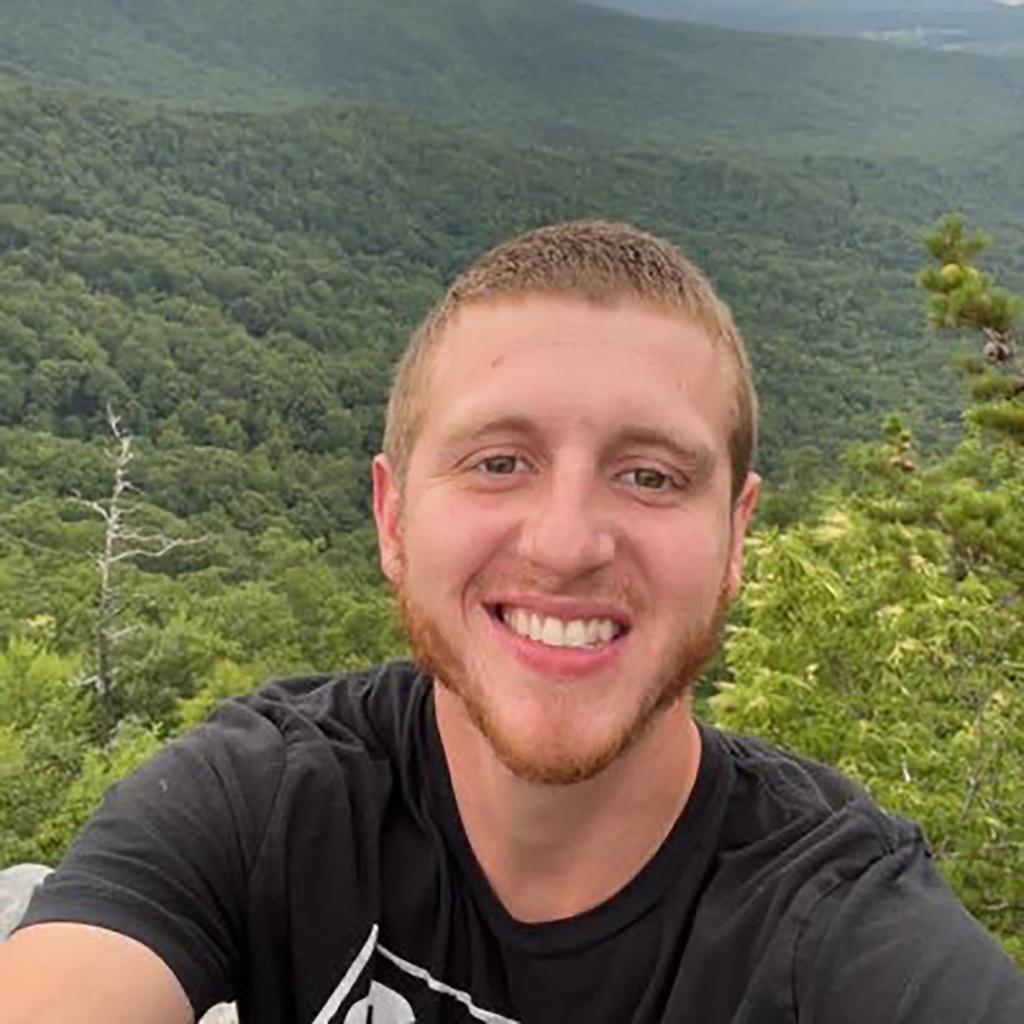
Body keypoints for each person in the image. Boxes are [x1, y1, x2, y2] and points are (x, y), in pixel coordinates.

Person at [2, 220, 1021, 1024]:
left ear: (735, 537)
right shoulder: (265, 803)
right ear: (394, 516)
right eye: (499, 460)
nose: (568, 540)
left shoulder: (836, 931)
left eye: (650, 475)